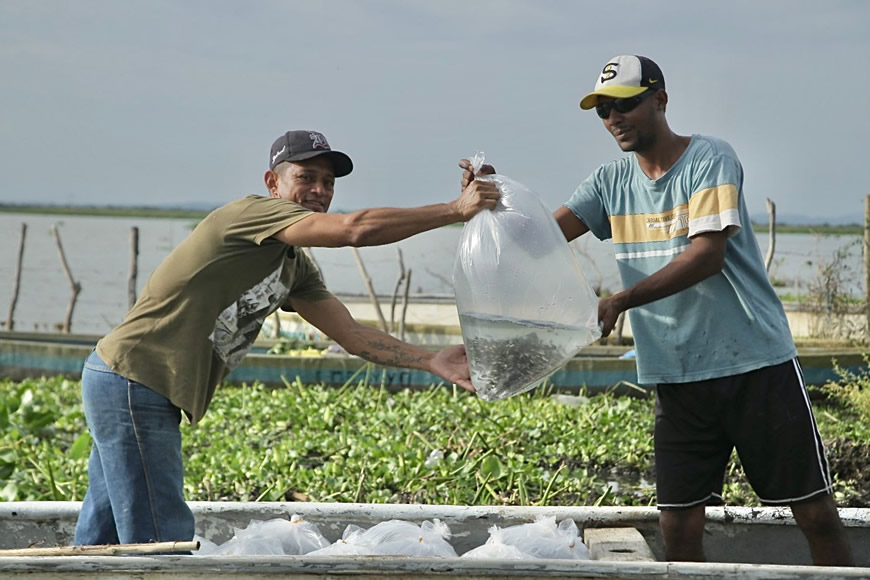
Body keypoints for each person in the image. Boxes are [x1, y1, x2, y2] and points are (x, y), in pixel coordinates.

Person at [461, 55, 854, 565]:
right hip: (677, 376)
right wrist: (492, 202)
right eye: (603, 111)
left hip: (755, 366)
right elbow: (538, 241)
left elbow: (707, 255)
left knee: (816, 514)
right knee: (678, 525)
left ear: (661, 100)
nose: (613, 119)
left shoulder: (710, 159)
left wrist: (622, 299)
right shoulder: (609, 181)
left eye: (625, 104)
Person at [74, 129, 500, 546]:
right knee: (160, 537)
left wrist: (430, 360)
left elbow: (352, 336)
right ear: (272, 182)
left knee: (102, 533)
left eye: (328, 183)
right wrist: (453, 209)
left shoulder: (293, 267)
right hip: (133, 380)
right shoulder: (247, 215)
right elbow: (355, 229)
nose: (318, 190)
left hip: (134, 386)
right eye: (306, 177)